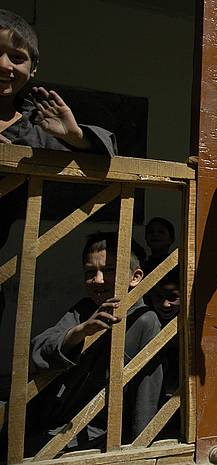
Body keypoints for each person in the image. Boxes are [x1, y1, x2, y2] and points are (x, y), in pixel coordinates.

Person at [0, 9, 118, 321]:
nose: (4, 65)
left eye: (16, 57)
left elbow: (107, 166)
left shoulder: (29, 131)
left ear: (33, 68)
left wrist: (75, 136)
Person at [26, 232, 162, 451]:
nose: (98, 280)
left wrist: (140, 447)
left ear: (135, 277)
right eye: (91, 272)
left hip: (97, 434)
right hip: (54, 419)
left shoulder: (144, 321)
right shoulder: (84, 309)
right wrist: (80, 331)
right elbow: (38, 349)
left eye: (109, 270)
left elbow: (146, 395)